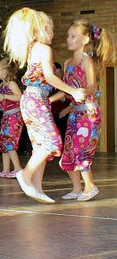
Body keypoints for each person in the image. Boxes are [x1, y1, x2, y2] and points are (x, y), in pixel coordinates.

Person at [3, 8, 85, 204]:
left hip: (33, 100)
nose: (53, 34)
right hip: (35, 99)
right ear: (40, 29)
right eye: (51, 29)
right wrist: (73, 91)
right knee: (51, 143)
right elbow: (49, 77)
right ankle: (26, 174)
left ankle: (37, 188)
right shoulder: (43, 48)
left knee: (40, 146)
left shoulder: (33, 49)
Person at [51, 20, 114, 201]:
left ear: (85, 39)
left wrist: (82, 93)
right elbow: (65, 89)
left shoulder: (87, 61)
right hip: (75, 114)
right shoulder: (67, 62)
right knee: (69, 150)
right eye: (68, 36)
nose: (68, 40)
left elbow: (92, 87)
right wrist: (49, 100)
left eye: (73, 36)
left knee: (80, 150)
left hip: (89, 114)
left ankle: (90, 186)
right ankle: (77, 188)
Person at [0, 58, 24, 178]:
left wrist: (4, 96)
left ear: (5, 71)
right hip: (6, 116)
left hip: (14, 116)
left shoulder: (11, 83)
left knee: (10, 141)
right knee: (4, 143)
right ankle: (6, 170)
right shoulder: (1, 84)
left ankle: (18, 168)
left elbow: (19, 97)